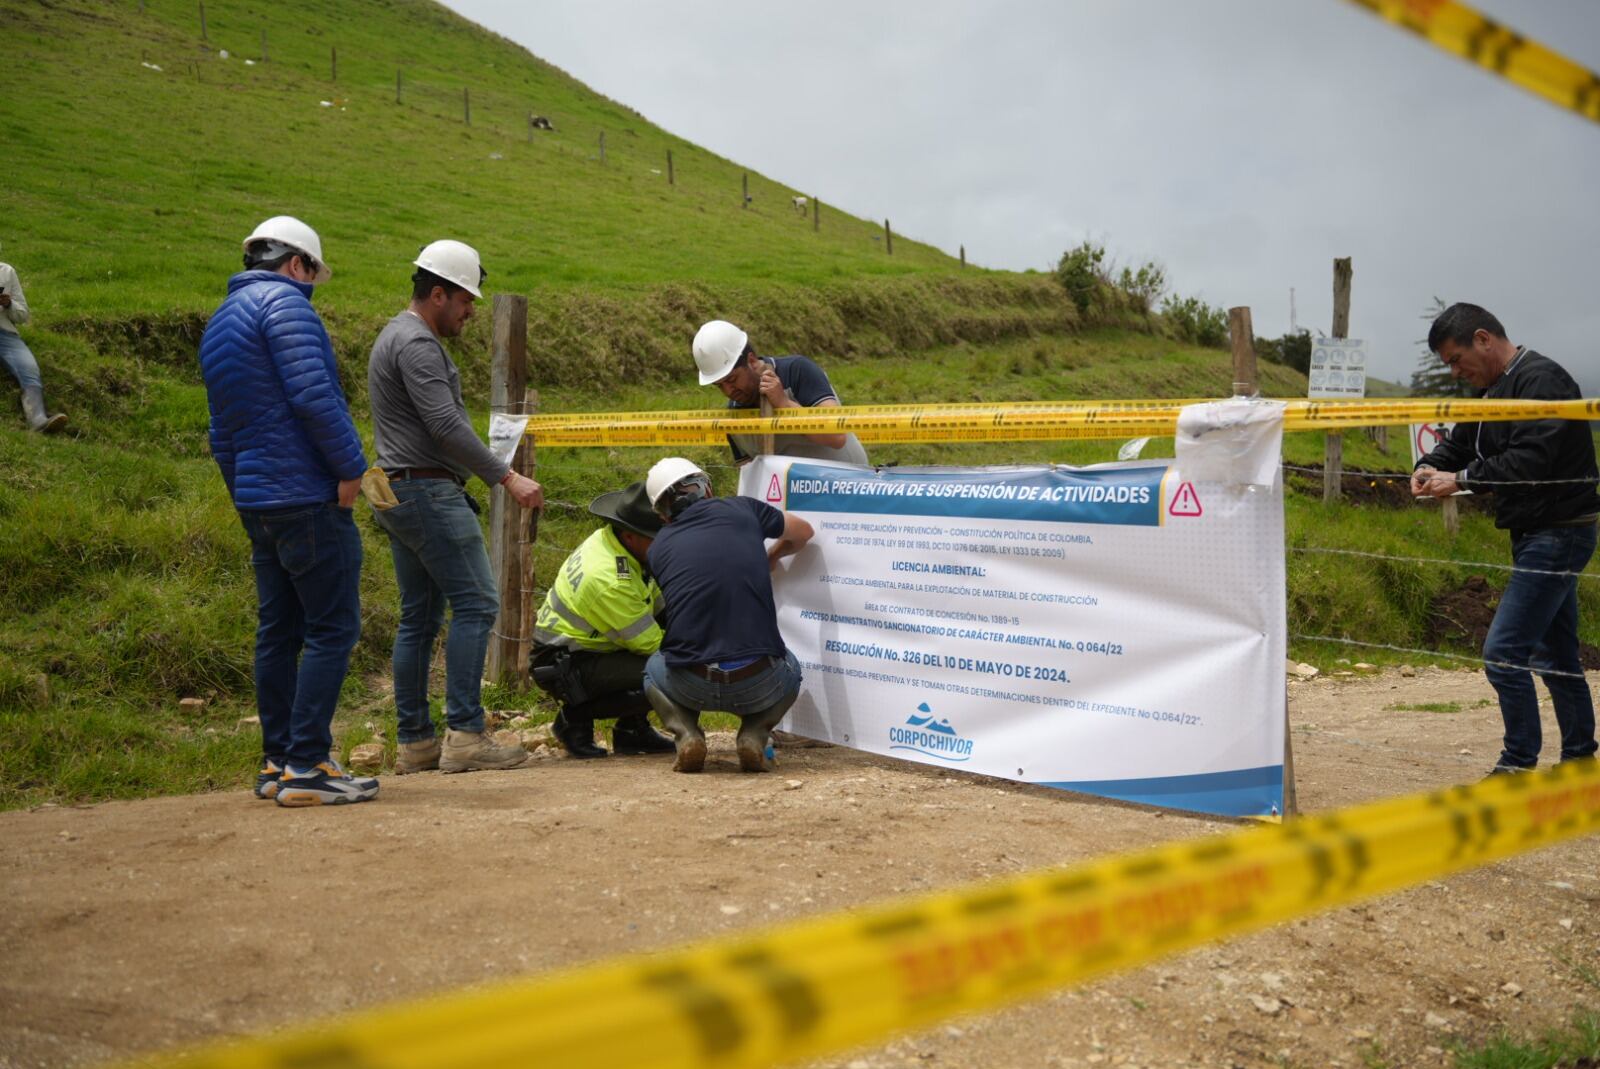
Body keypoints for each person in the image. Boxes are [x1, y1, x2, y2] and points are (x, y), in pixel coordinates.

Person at [198, 215, 376, 807]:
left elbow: (221, 430)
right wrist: (351, 467)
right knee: (332, 627)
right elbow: (313, 395)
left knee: (278, 630)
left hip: (259, 501)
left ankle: (279, 761)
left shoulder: (221, 322)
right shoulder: (288, 307)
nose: (311, 288)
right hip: (307, 497)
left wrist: (244, 490)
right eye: (312, 275)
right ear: (297, 263)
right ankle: (307, 768)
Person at [367, 239, 543, 775]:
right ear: (437, 293)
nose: (471, 310)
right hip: (426, 491)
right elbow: (445, 427)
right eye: (466, 299)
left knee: (418, 617)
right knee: (478, 604)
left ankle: (416, 741)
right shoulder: (418, 345)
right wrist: (507, 477)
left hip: (398, 489)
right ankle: (465, 734)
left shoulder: (392, 337)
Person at [1411, 302, 1599, 776]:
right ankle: (1579, 760)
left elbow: (1529, 462)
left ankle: (1517, 765)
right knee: (1556, 653)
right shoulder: (1491, 389)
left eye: (1456, 360)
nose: (1455, 372)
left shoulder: (1543, 381)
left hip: (1561, 532)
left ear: (1483, 339)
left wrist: (1462, 479)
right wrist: (1427, 466)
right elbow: (1459, 442)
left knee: (1504, 653)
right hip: (1538, 533)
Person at [641, 457, 814, 773]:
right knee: (792, 667)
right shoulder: (743, 509)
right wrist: (771, 556)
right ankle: (754, 734)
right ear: (705, 487)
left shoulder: (657, 549)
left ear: (663, 514)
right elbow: (803, 532)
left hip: (691, 682)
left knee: (653, 669)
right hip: (760, 680)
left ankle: (687, 735)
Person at [529, 481, 677, 759]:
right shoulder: (610, 579)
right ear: (630, 535)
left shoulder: (616, 543)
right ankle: (574, 719)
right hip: (564, 663)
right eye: (656, 536)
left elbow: (659, 605)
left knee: (673, 656)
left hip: (585, 648)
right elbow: (653, 646)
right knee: (670, 671)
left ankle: (633, 731)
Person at [692, 319, 869, 466]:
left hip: (848, 492)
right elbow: (749, 476)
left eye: (732, 380)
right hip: (791, 505)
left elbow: (837, 436)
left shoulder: (797, 371)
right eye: (719, 385)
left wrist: (784, 405)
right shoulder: (734, 419)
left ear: (752, 361)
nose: (728, 391)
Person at [0, 245, 68, 433]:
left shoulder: (7, 272)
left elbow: (23, 315)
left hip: (4, 333)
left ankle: (38, 419)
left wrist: (9, 304)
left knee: (29, 367)